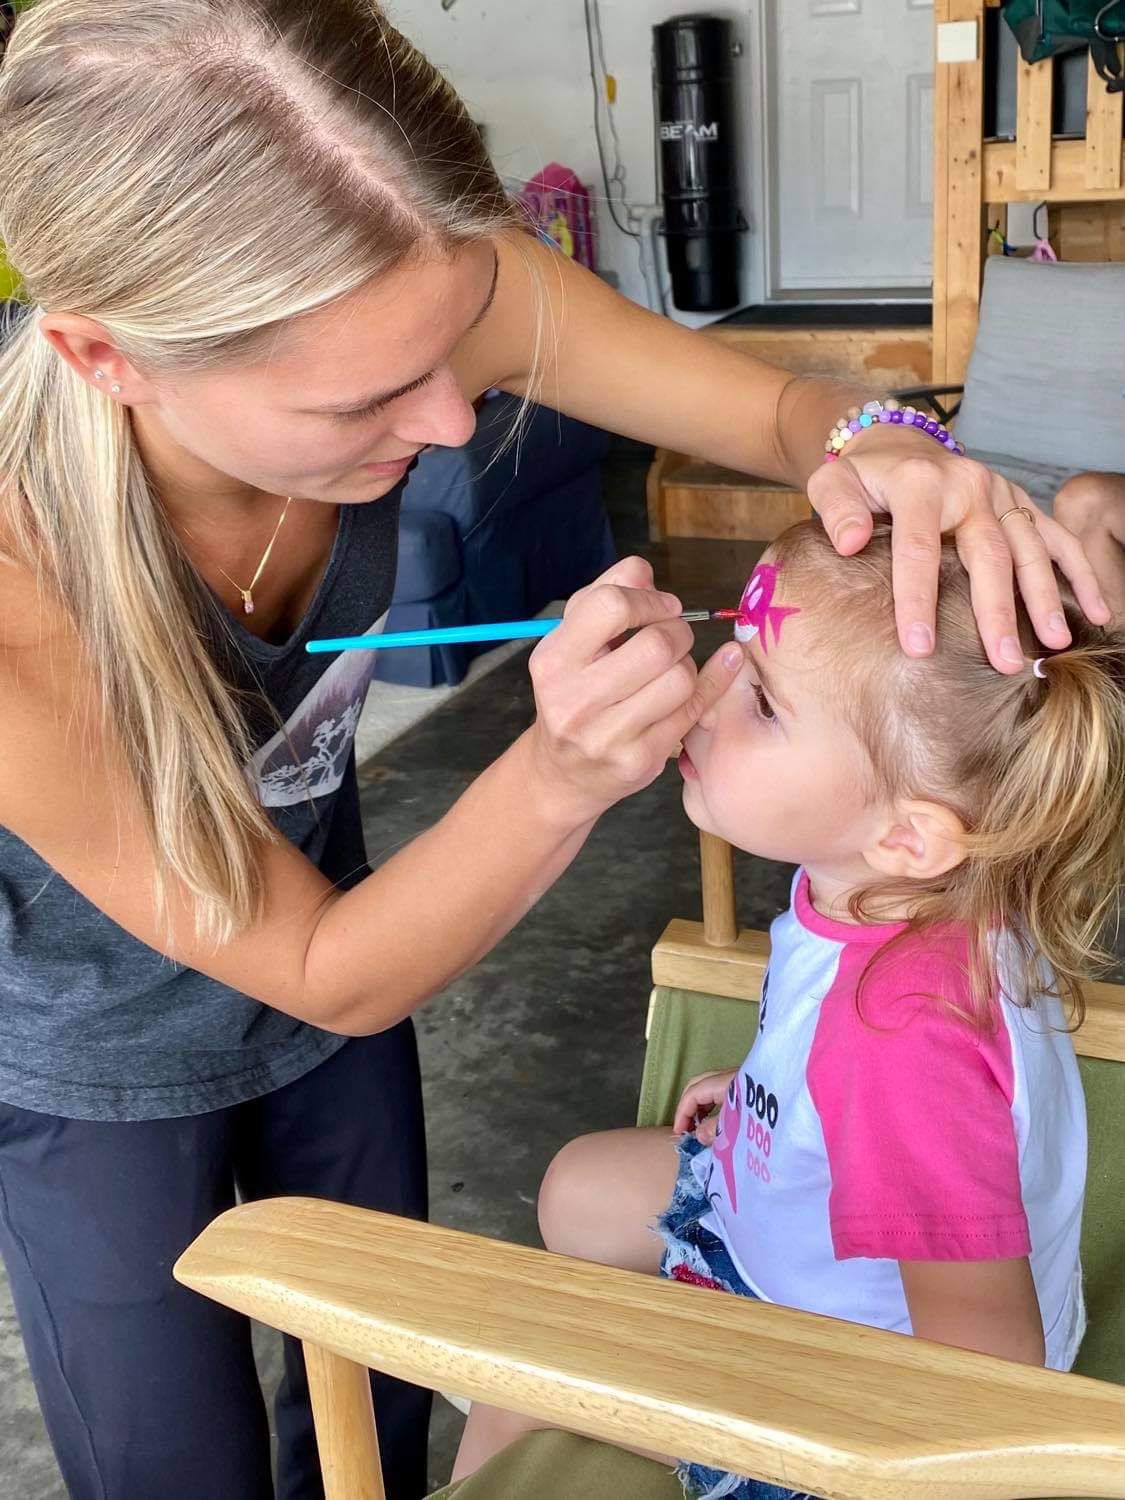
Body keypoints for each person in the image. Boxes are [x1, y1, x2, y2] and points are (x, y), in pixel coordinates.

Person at [0, 3, 1109, 1497]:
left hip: (350, 981)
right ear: (102, 354)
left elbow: (792, 407)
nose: (460, 419)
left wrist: (890, 442)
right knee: (167, 1458)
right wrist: (556, 774)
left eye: (460, 341)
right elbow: (331, 962)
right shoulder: (21, 599)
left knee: (377, 1401)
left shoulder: (403, 264)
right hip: (104, 1057)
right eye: (367, 399)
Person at [453, 521, 1124, 1496]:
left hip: (846, 1381)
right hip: (790, 1227)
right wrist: (774, 1091)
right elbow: (838, 1057)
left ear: (908, 836)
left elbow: (987, 1368)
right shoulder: (887, 888)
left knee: (515, 1366)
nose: (704, 687)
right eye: (735, 643)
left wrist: (838, 1452)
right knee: (575, 1188)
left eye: (763, 700)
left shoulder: (905, 1044)